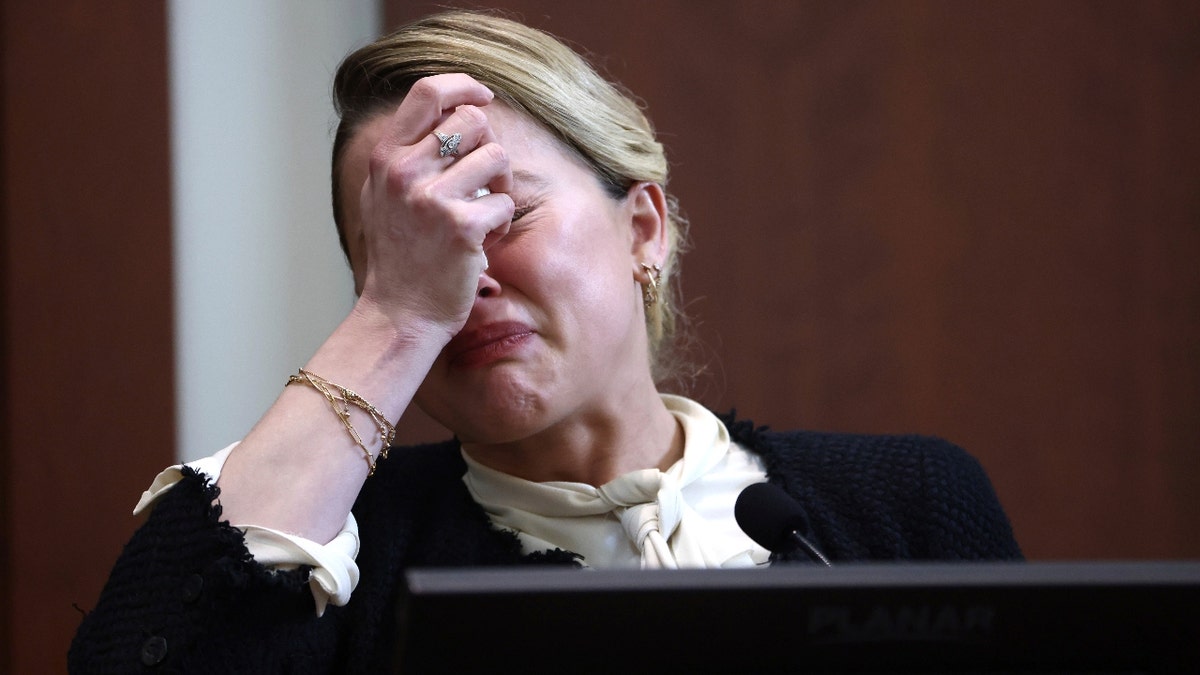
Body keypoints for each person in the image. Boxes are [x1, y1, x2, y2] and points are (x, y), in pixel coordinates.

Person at [69, 9, 1020, 673]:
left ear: (642, 228)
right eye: (410, 247)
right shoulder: (354, 556)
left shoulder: (909, 507)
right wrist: (398, 318)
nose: (466, 274)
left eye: (500, 212)